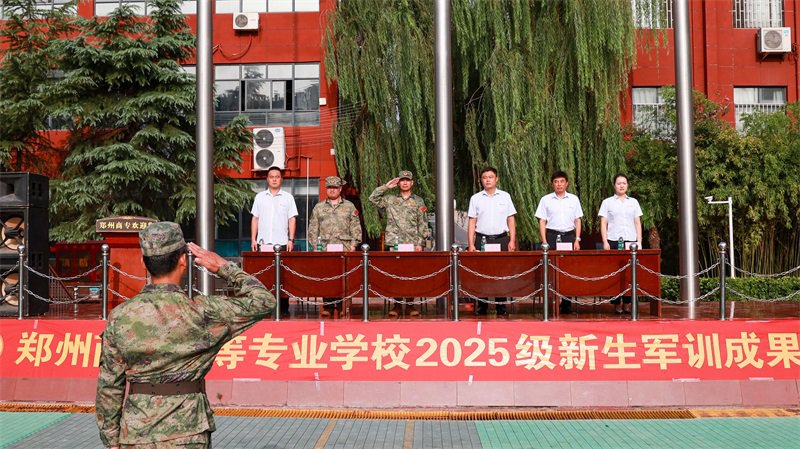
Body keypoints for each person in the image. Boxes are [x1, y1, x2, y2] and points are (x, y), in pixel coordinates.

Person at [96, 222, 274, 449]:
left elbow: (109, 385)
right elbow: (264, 301)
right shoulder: (203, 312)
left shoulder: (120, 316)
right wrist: (222, 267)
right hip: (189, 431)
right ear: (183, 261)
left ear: (143, 263)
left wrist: (112, 440)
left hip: (137, 431)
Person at [369, 170, 430, 318]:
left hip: (412, 244)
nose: (405, 183)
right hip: (394, 243)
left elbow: (423, 223)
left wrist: (420, 243)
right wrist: (386, 186)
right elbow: (372, 198)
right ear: (398, 183)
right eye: (402, 180)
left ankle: (410, 305)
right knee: (395, 275)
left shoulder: (418, 201)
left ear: (412, 183)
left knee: (411, 275)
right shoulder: (390, 199)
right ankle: (396, 305)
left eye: (407, 180)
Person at [308, 176, 363, 318]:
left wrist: (354, 245)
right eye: (329, 187)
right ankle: (327, 306)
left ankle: (342, 306)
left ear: (340, 189)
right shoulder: (319, 207)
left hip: (344, 248)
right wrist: (315, 246)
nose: (332, 190)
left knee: (343, 278)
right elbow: (313, 229)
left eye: (335, 188)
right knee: (327, 277)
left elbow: (356, 227)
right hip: (325, 248)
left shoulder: (349, 206)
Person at [467, 167, 517, 318]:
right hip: (482, 240)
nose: (487, 180)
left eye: (490, 177)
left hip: (501, 239)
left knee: (501, 273)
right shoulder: (475, 198)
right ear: (481, 180)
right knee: (481, 274)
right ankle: (482, 306)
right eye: (484, 177)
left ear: (496, 179)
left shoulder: (505, 197)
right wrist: (471, 244)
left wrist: (512, 240)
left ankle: (501, 306)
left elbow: (511, 219)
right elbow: (472, 222)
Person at [250, 166, 297, 317]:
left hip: (282, 243)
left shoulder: (288, 197)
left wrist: (291, 239)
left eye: (277, 177)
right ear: (267, 179)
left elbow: (292, 219)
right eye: (272, 177)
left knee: (283, 277)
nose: (274, 179)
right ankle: (265, 308)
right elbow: (255, 218)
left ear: (281, 179)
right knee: (264, 277)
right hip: (263, 243)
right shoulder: (260, 197)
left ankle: (283, 308)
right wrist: (253, 239)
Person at [535, 170, 584, 314]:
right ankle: (552, 302)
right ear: (552, 184)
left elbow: (578, 220)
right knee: (551, 270)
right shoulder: (545, 200)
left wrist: (577, 239)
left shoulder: (574, 199)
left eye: (562, 181)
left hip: (568, 236)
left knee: (568, 270)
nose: (559, 184)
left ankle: (567, 304)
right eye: (556, 182)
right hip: (552, 236)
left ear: (566, 183)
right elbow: (542, 221)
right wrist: (544, 241)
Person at [598, 173, 643, 314]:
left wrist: (639, 241)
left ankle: (628, 302)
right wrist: (605, 241)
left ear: (627, 185)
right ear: (614, 186)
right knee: (615, 274)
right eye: (619, 183)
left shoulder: (633, 202)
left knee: (629, 273)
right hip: (613, 240)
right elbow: (603, 222)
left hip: (630, 242)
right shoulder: (607, 202)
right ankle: (616, 303)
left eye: (624, 183)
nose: (621, 185)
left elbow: (637, 222)